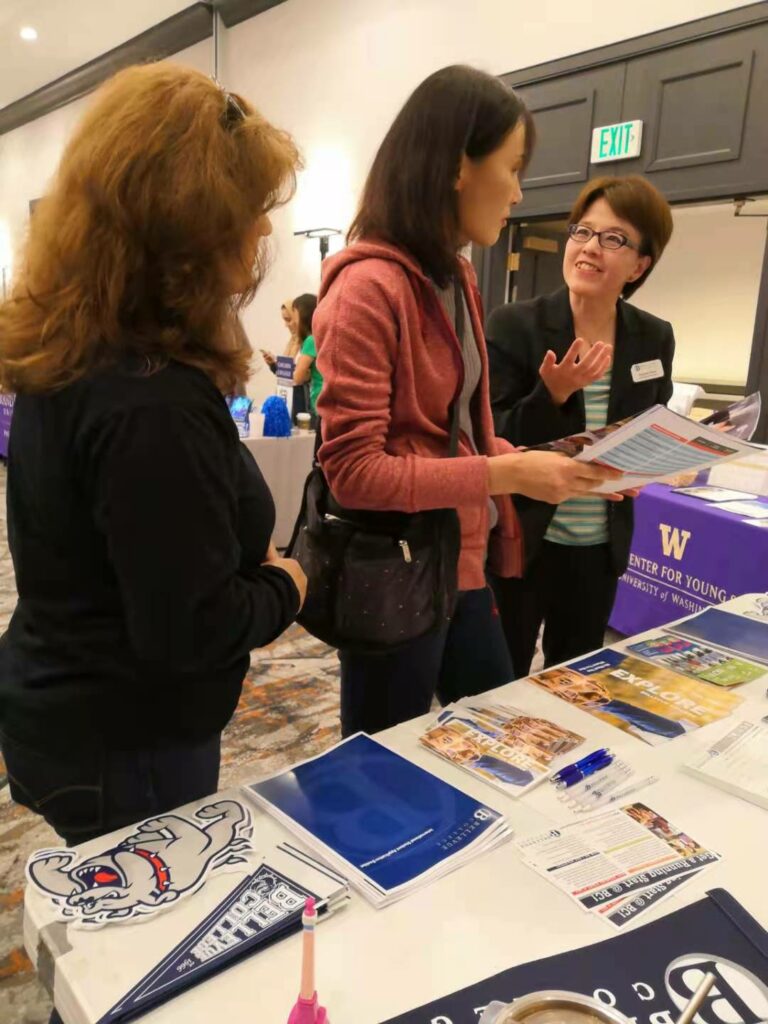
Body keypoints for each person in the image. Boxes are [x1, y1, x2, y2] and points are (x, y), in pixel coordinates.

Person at [0, 63, 307, 851]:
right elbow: (189, 632)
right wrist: (284, 584)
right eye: (249, 212)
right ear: (189, 229)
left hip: (70, 704)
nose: (264, 232)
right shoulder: (152, 400)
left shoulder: (84, 351)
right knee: (145, 943)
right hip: (124, 738)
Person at [313, 66, 622, 737]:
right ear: (457, 165)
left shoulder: (453, 276)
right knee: (380, 761)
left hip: (464, 559)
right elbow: (354, 472)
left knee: (500, 732)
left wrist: (568, 466)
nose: (517, 190)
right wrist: (507, 472)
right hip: (396, 568)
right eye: (511, 168)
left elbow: (464, 438)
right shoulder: (368, 288)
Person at [487, 175, 675, 675]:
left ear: (639, 264)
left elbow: (650, 424)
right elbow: (491, 436)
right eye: (582, 232)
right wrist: (552, 394)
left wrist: (648, 464)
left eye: (613, 239)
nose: (591, 249)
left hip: (597, 548)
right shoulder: (514, 325)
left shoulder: (653, 337)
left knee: (574, 680)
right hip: (522, 539)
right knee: (496, 678)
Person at [291, 293, 322, 418]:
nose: (293, 323)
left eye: (294, 317)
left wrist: (300, 372)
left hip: (319, 398)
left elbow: (298, 378)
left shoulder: (310, 340)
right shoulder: (320, 337)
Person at [261, 298, 301, 371]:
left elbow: (304, 377)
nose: (286, 325)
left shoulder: (309, 343)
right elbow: (285, 375)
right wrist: (273, 364)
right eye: (284, 320)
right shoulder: (292, 343)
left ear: (297, 318)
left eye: (288, 320)